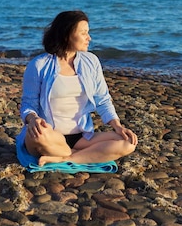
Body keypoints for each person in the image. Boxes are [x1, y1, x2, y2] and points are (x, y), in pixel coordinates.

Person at [19, 10, 137, 166]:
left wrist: (117, 126)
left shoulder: (91, 61)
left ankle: (67, 157)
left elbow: (102, 99)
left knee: (127, 142)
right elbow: (28, 104)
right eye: (83, 33)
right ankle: (86, 156)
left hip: (82, 138)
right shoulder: (39, 65)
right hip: (50, 135)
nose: (89, 38)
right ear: (67, 35)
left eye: (88, 32)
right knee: (37, 136)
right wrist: (33, 119)